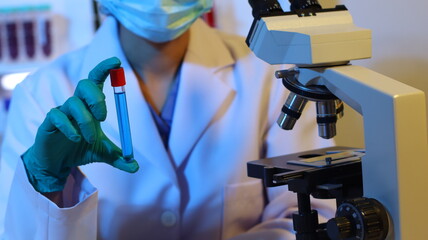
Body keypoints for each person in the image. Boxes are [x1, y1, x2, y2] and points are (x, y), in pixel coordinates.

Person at [0, 0, 335, 239]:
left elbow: (317, 215)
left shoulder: (271, 75)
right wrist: (46, 189)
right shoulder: (41, 92)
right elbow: (15, 231)